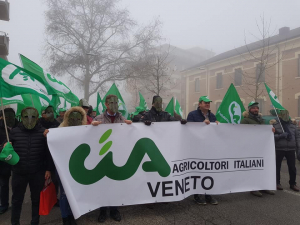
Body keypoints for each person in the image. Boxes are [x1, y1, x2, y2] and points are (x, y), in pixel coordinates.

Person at [6, 107, 53, 225]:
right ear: (21, 118)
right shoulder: (14, 132)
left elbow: (48, 152)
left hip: (37, 172)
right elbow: (6, 151)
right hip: (19, 172)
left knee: (36, 200)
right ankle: (14, 222)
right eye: (26, 117)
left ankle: (35, 222)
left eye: (33, 117)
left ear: (37, 118)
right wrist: (5, 147)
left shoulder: (43, 132)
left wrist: (48, 169)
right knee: (17, 200)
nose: (30, 120)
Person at [92, 94, 132, 223]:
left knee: (115, 184)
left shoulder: (122, 119)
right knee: (103, 185)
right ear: (106, 104)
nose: (114, 105)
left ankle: (114, 210)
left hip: (118, 158)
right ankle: (103, 211)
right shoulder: (98, 118)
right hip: (103, 158)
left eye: (116, 102)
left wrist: (131, 126)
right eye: (111, 102)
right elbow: (90, 136)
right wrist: (91, 126)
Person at [58, 106, 87, 225]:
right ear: (67, 118)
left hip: (78, 167)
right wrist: (47, 135)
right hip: (63, 166)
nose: (75, 121)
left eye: (78, 118)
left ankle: (73, 214)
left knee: (74, 191)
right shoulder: (59, 131)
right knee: (64, 193)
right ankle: (65, 217)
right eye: (72, 118)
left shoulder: (86, 130)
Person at [187, 96, 218, 205]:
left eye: (209, 102)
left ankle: (208, 194)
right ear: (199, 104)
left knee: (208, 171)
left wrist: (217, 125)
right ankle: (197, 195)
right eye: (205, 102)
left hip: (209, 147)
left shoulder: (212, 115)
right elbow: (189, 129)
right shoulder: (192, 115)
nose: (208, 104)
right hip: (197, 147)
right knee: (198, 171)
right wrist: (202, 124)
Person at [240, 101, 275, 197]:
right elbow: (241, 134)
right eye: (253, 108)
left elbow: (264, 133)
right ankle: (253, 188)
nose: (256, 110)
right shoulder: (245, 120)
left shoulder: (262, 120)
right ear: (249, 109)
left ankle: (264, 186)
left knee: (263, 168)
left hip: (262, 148)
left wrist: (270, 131)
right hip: (251, 148)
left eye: (257, 108)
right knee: (254, 168)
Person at [270, 109, 300, 192]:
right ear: (279, 115)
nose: (285, 116)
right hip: (279, 148)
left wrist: (298, 149)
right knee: (277, 167)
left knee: (292, 168)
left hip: (291, 149)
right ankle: (277, 183)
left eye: (287, 114)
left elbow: (297, 137)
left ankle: (293, 184)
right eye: (283, 114)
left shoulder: (293, 125)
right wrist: (281, 136)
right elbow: (271, 137)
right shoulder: (275, 125)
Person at [0, 108, 18, 214]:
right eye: (7, 117)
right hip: (3, 161)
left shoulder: (19, 126)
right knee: (3, 184)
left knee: (16, 184)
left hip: (17, 160)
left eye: (11, 116)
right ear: (2, 117)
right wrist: (3, 147)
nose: (9, 119)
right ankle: (4, 204)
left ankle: (16, 202)